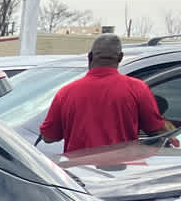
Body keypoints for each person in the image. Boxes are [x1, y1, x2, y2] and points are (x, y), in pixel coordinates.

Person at [39, 34, 169, 154]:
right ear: (120, 57)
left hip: (79, 171)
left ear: (90, 57)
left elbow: (49, 137)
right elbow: (158, 133)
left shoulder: (66, 92)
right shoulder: (137, 88)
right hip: (125, 170)